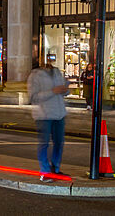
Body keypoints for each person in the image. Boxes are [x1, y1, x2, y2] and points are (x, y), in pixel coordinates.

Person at [27, 51, 69, 182]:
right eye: (46, 58)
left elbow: (64, 91)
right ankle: (45, 171)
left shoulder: (57, 72)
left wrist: (65, 89)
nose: (49, 61)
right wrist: (53, 91)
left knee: (59, 143)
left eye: (51, 58)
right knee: (44, 144)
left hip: (59, 113)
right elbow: (33, 97)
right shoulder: (35, 75)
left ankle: (55, 169)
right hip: (44, 115)